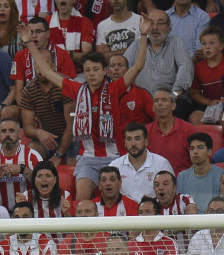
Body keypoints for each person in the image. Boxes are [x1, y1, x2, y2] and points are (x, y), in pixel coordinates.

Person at [20, 21, 148, 202]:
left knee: (121, 199)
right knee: (81, 199)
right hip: (87, 158)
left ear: (105, 71)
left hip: (115, 157)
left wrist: (143, 36)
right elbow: (46, 71)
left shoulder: (114, 89)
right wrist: (29, 42)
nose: (91, 74)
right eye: (87, 70)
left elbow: (138, 66)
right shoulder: (76, 89)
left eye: (96, 69)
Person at [122, 9, 192, 107]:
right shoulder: (138, 44)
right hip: (142, 102)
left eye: (160, 23)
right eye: (151, 23)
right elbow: (123, 67)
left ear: (169, 27)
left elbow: (185, 69)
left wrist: (173, 95)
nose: (155, 27)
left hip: (173, 101)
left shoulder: (176, 42)